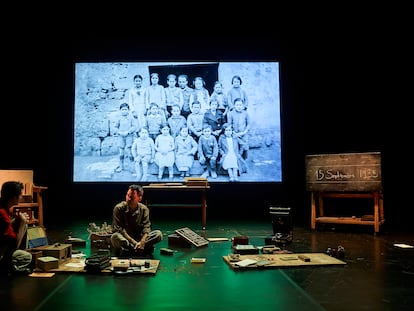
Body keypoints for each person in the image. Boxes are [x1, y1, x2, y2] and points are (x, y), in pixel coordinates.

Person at [111, 184, 163, 258]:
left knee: (158, 234)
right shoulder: (119, 208)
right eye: (127, 195)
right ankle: (139, 250)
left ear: (139, 198)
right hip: (126, 239)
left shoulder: (144, 209)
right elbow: (120, 229)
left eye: (132, 197)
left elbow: (146, 228)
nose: (128, 199)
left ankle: (131, 251)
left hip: (139, 238)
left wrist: (142, 242)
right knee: (115, 237)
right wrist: (134, 242)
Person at [0, 181, 33, 275]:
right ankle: (8, 267)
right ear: (14, 198)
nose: (21, 197)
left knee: (20, 222)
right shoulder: (2, 213)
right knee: (27, 257)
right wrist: (22, 223)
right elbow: (14, 244)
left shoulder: (3, 207)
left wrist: (18, 220)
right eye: (20, 195)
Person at [114, 102, 136, 173]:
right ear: (120, 110)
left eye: (126, 109)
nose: (124, 111)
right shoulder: (118, 118)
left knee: (129, 151)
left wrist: (128, 132)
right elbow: (115, 127)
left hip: (129, 136)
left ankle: (132, 167)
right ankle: (121, 166)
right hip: (121, 137)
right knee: (121, 152)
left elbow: (134, 127)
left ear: (128, 110)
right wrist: (119, 132)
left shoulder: (131, 118)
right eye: (123, 109)